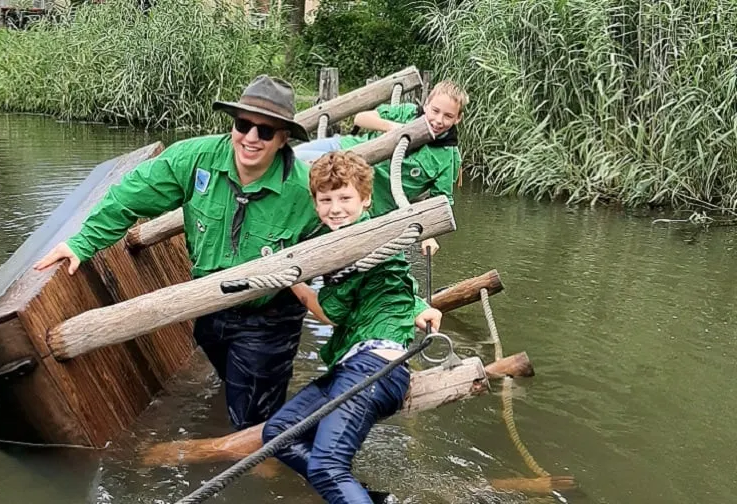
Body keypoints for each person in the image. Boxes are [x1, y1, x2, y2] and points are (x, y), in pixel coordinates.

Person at [34, 75, 323, 431]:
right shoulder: (194, 159)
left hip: (267, 314)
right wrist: (81, 243)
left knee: (252, 419)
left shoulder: (305, 189)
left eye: (265, 132)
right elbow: (129, 196)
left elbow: (355, 230)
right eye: (243, 125)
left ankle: (262, 463)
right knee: (233, 386)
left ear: (283, 139)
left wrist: (402, 307)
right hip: (208, 306)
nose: (250, 138)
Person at [262, 151, 443, 504]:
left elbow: (329, 313)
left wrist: (291, 281)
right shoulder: (357, 242)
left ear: (366, 199)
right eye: (325, 199)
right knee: (280, 433)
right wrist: (417, 308)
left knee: (327, 466)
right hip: (353, 367)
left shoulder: (360, 242)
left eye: (345, 198)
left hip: (375, 368)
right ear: (315, 204)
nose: (335, 208)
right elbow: (396, 285)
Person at [293, 80, 469, 256]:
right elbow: (360, 118)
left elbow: (440, 200)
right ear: (426, 105)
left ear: (458, 118)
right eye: (435, 111)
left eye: (448, 116)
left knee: (310, 186)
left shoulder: (447, 156)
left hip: (364, 197)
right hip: (346, 147)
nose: (438, 120)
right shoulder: (407, 112)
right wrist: (391, 127)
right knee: (289, 159)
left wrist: (429, 234)